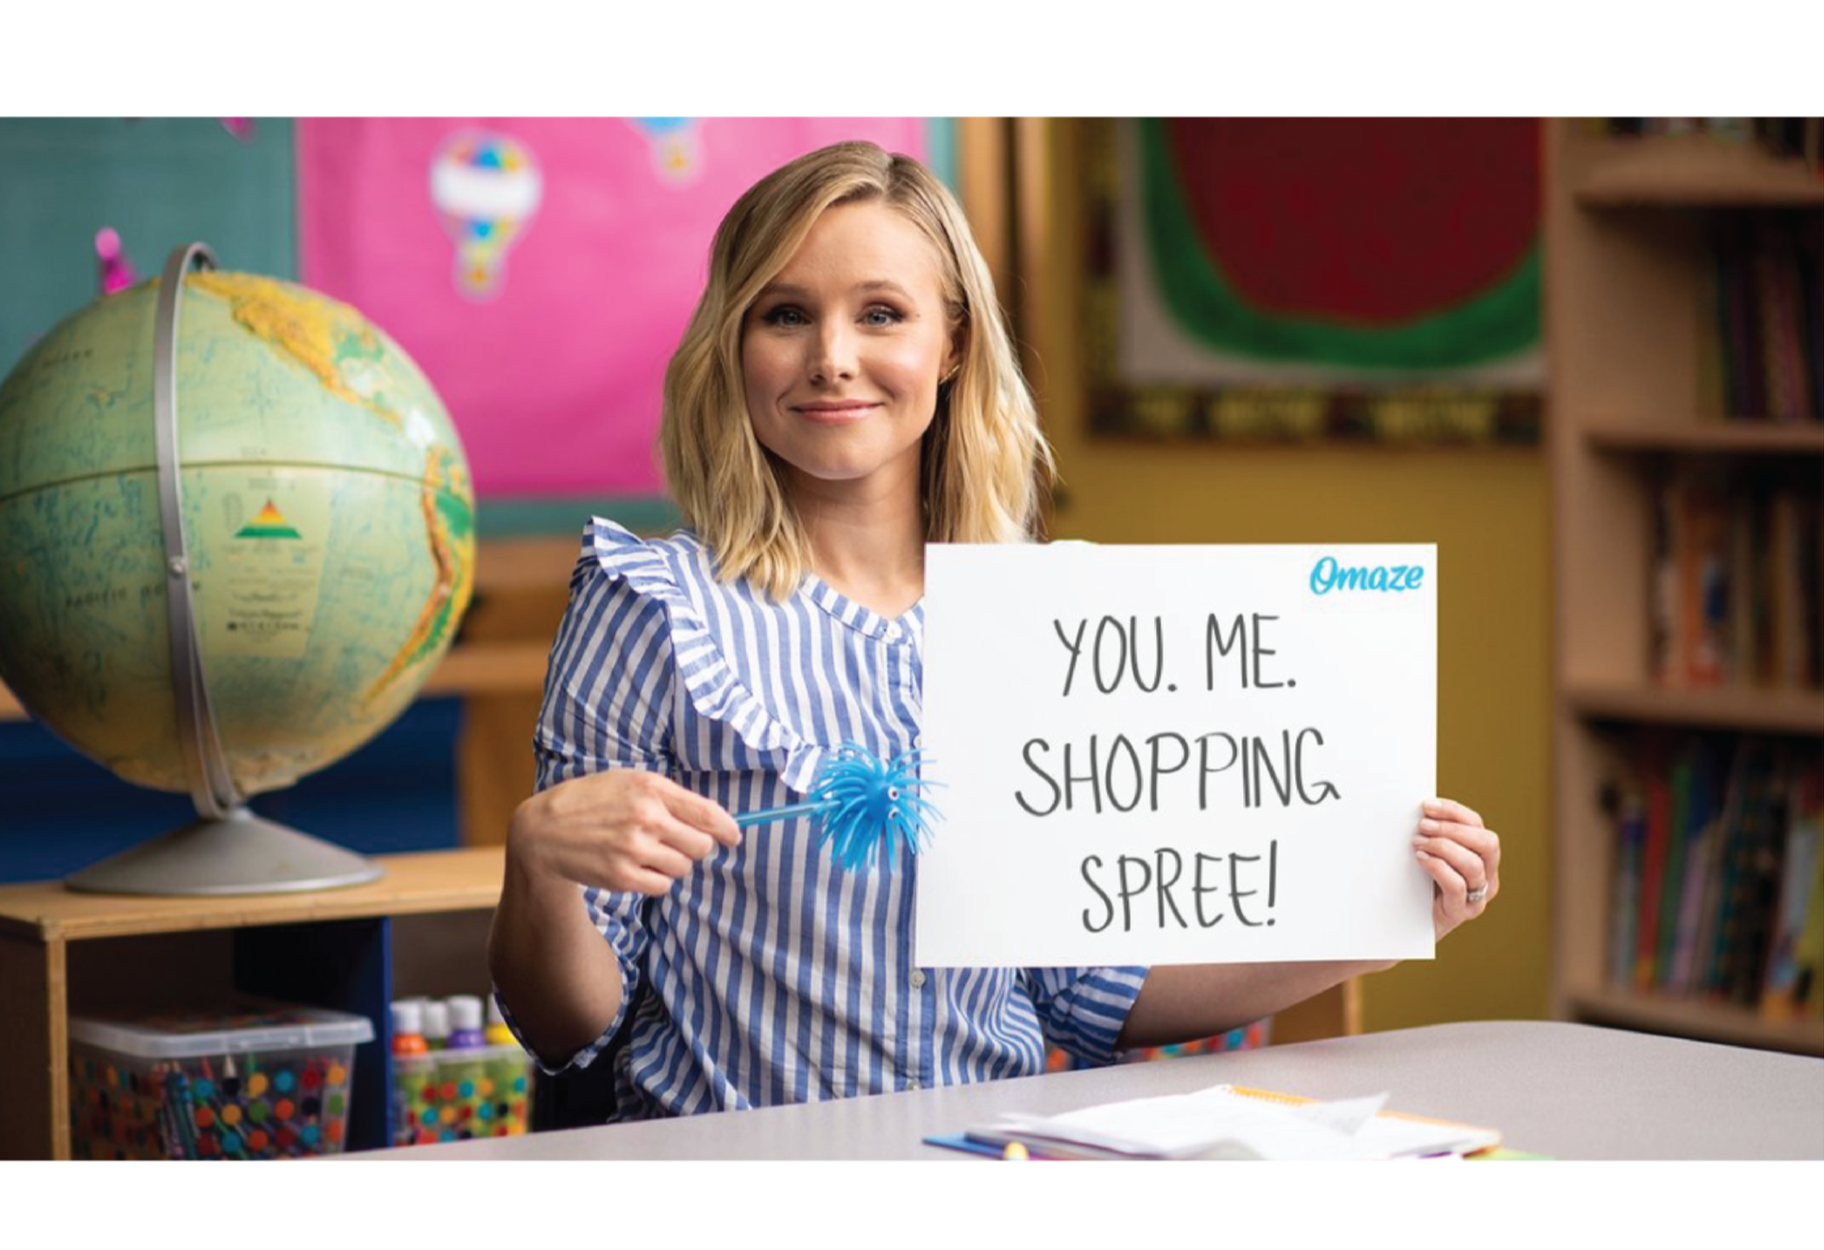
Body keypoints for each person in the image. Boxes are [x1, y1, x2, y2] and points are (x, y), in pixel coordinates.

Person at [487, 140, 1502, 1120]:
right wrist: (538, 862)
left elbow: (1089, 990)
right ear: (734, 343)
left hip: (990, 1166)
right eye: (785, 314)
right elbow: (565, 1024)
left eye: (882, 313)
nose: (833, 358)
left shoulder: (1038, 618)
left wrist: (1378, 918)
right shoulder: (649, 603)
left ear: (953, 341)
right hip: (744, 1178)